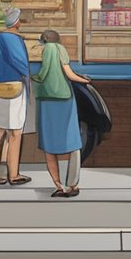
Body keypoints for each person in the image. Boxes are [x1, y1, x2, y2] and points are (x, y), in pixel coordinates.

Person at [32, 29, 91, 198]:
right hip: (64, 100)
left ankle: (58, 185)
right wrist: (84, 79)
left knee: (49, 144)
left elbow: (41, 74)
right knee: (68, 141)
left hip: (45, 100)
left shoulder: (44, 51)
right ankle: (70, 184)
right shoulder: (59, 49)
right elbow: (69, 74)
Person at [0, 7, 32, 186]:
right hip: (15, 87)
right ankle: (13, 174)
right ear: (16, 21)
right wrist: (29, 74)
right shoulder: (15, 39)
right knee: (15, 133)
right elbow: (21, 63)